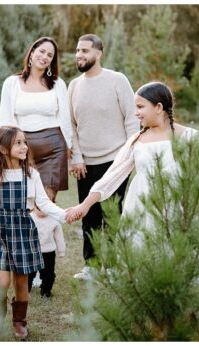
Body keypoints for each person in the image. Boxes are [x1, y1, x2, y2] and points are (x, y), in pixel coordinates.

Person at [66, 82, 199, 248]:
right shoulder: (136, 140)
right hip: (141, 212)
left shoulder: (191, 137)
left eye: (140, 107)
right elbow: (111, 177)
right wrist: (85, 205)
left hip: (178, 210)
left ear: (158, 107)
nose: (136, 113)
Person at [0, 126, 69, 340]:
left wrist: (65, 215)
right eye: (18, 142)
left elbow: (44, 203)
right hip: (0, 232)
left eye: (25, 142)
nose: (24, 146)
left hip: (23, 232)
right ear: (2, 148)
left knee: (21, 282)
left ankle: (19, 322)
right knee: (1, 283)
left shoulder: (31, 175)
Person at [66, 34, 141, 281]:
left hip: (116, 161)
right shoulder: (74, 86)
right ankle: (91, 266)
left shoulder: (117, 80)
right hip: (85, 163)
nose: (80, 55)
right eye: (78, 50)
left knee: (112, 215)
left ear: (99, 53)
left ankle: (112, 266)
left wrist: (131, 156)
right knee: (89, 216)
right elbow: (71, 126)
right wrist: (76, 157)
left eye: (85, 51)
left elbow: (132, 119)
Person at [0, 37, 75, 207]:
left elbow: (65, 118)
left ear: (51, 61)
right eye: (41, 51)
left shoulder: (57, 84)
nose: (45, 56)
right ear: (32, 53)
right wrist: (4, 147)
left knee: (45, 204)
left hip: (53, 148)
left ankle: (45, 233)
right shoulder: (11, 83)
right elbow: (5, 118)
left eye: (50, 55)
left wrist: (69, 147)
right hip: (21, 148)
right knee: (23, 202)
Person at [26, 206, 65, 298]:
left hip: (48, 253)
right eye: (39, 208)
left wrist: (61, 251)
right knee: (29, 273)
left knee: (48, 274)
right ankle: (25, 290)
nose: (42, 210)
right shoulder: (29, 218)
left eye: (44, 207)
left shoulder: (54, 220)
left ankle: (46, 291)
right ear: (34, 206)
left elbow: (59, 237)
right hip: (32, 252)